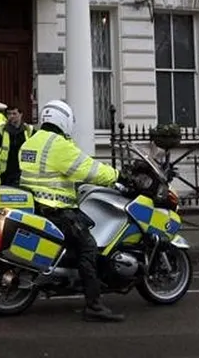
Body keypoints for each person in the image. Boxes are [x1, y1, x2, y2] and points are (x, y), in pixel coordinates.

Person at [18, 99, 123, 323]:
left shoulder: (31, 142)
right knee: (89, 247)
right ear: (63, 120)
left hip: (37, 207)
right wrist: (117, 176)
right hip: (57, 210)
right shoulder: (58, 145)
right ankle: (94, 305)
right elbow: (89, 169)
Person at [0, 104, 34, 186]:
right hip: (7, 172)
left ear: (21, 114)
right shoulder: (2, 130)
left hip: (24, 171)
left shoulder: (29, 130)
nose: (11, 116)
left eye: (14, 113)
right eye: (9, 114)